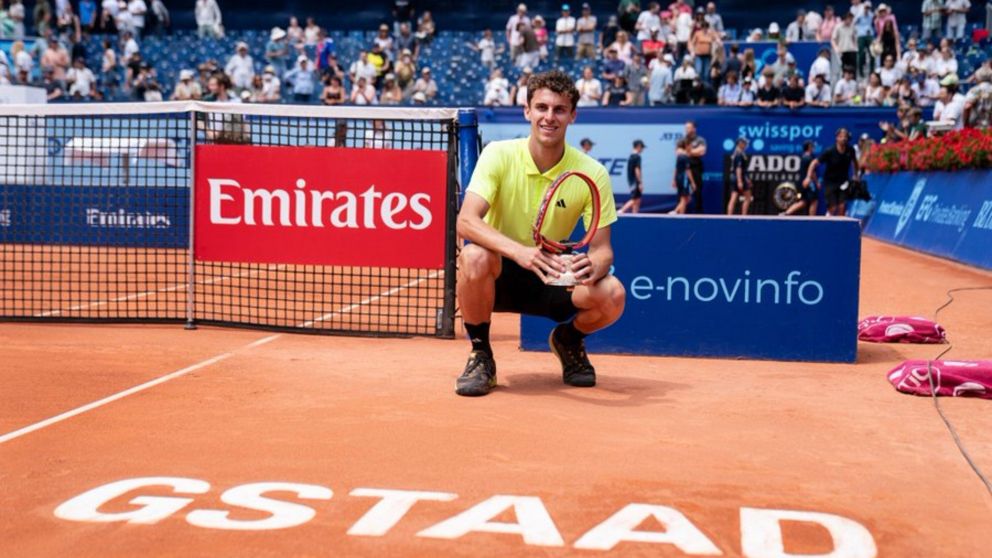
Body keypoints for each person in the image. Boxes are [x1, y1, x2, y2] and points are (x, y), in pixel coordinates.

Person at [453, 69, 625, 397]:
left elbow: (603, 250)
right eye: (542, 108)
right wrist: (519, 251)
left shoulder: (593, 173)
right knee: (473, 255)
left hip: (553, 277)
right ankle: (481, 355)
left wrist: (592, 267)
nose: (550, 117)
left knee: (613, 294)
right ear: (527, 111)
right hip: (500, 272)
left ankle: (568, 339)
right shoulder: (498, 154)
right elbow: (466, 221)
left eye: (559, 109)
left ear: (572, 115)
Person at [806, 128, 858, 217]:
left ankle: (841, 228)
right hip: (830, 182)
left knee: (842, 207)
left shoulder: (850, 150)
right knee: (832, 207)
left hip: (844, 181)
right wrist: (808, 177)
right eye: (841, 136)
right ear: (837, 138)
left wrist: (855, 175)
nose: (844, 138)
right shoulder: (829, 151)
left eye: (845, 136)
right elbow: (814, 163)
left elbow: (855, 163)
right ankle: (828, 224)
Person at [783, 140, 819, 216]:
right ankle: (813, 220)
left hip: (801, 182)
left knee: (804, 201)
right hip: (808, 183)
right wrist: (816, 183)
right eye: (812, 146)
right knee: (814, 200)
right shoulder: (809, 159)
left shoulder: (803, 157)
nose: (813, 148)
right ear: (809, 147)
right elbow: (812, 173)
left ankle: (786, 213)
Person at [684, 121, 706, 213]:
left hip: (696, 168)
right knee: (684, 193)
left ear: (694, 129)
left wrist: (689, 152)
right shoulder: (683, 140)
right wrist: (693, 152)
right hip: (685, 168)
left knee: (697, 191)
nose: (687, 130)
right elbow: (678, 152)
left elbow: (702, 151)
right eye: (686, 128)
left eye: (689, 128)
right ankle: (680, 214)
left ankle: (698, 214)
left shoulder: (700, 140)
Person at [669, 138, 696, 214]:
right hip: (684, 178)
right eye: (690, 145)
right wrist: (693, 182)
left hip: (679, 178)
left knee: (687, 198)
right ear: (686, 145)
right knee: (684, 199)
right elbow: (688, 170)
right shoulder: (684, 156)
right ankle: (680, 216)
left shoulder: (679, 155)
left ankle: (675, 212)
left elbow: (676, 168)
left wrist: (674, 179)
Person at [726, 137, 752, 215]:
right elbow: (738, 168)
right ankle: (744, 216)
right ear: (740, 143)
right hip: (739, 177)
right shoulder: (739, 154)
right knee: (747, 197)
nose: (746, 145)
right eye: (744, 143)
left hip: (735, 177)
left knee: (734, 196)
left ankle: (729, 217)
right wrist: (740, 181)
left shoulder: (736, 153)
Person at [619, 139, 645, 213]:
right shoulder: (637, 157)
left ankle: (635, 214)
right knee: (635, 199)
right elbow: (637, 170)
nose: (642, 149)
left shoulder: (631, 156)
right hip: (635, 181)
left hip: (631, 180)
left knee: (638, 199)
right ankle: (621, 211)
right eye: (642, 147)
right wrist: (640, 182)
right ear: (638, 146)